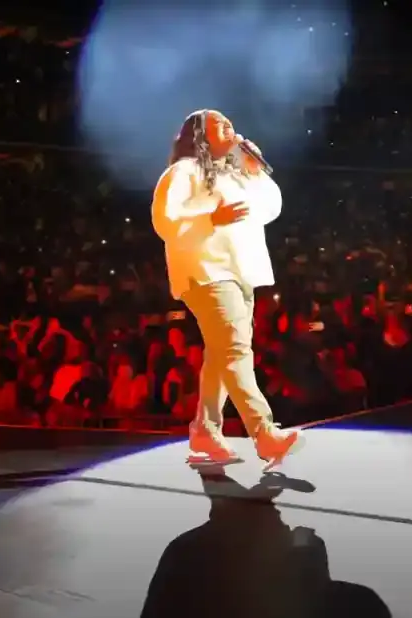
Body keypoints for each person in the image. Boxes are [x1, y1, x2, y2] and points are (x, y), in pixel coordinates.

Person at [151, 109, 302, 468]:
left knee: (222, 352)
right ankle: (264, 432)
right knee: (235, 349)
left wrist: (254, 171)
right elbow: (165, 221)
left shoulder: (235, 176)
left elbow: (270, 209)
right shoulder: (183, 172)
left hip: (239, 271)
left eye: (230, 122)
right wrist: (209, 218)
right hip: (206, 270)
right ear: (199, 135)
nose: (230, 126)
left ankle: (205, 429)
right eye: (219, 123)